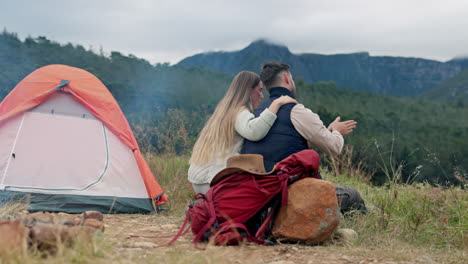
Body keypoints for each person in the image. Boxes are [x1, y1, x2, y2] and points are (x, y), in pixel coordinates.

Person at [242, 62, 367, 214]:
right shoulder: (296, 110)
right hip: (292, 195)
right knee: (352, 196)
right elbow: (334, 147)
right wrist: (337, 131)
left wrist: (326, 131)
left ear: (266, 86)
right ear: (287, 79)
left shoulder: (255, 114)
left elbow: (285, 141)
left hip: (259, 196)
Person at [188, 71, 297, 195]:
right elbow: (254, 131)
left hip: (198, 180)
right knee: (261, 194)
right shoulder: (239, 112)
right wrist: (276, 104)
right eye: (260, 90)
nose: (261, 96)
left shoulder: (222, 112)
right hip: (213, 181)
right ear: (249, 90)